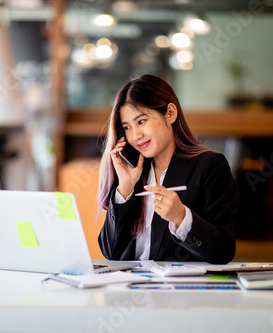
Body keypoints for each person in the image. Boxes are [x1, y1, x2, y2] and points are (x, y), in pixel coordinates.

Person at [97, 74, 238, 264]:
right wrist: (125, 188)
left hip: (177, 290)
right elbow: (111, 252)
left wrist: (182, 218)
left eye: (141, 121)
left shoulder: (210, 166)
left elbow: (223, 251)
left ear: (170, 113)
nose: (136, 136)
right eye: (127, 128)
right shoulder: (134, 173)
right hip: (129, 287)